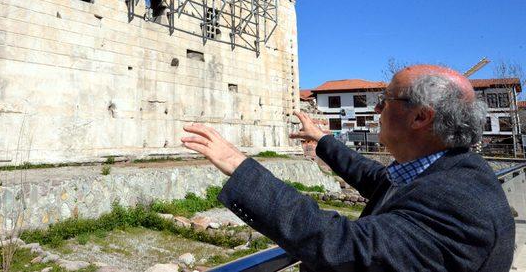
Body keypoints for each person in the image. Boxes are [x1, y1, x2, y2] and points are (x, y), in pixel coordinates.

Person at [181, 65, 515, 272]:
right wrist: (324, 141)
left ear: (420, 117)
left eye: (386, 100)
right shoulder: (444, 171)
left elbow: (345, 244)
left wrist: (240, 167)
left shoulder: (458, 200)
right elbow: (375, 178)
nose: (378, 109)